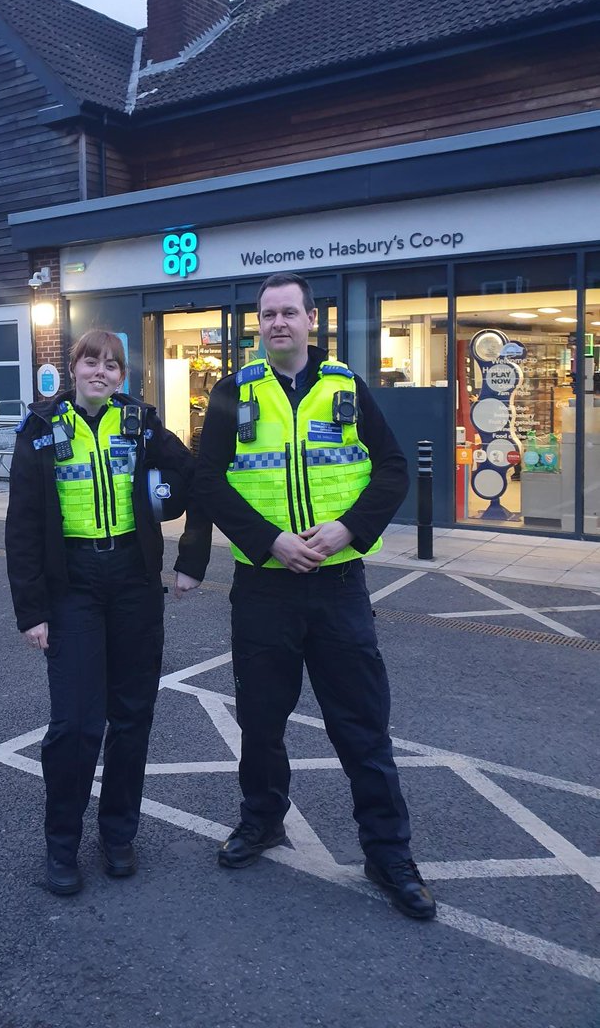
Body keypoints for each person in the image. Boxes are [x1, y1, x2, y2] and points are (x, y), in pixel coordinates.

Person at [194, 273, 436, 920]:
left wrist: (347, 528)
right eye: (268, 314)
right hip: (264, 587)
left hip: (338, 587)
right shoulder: (231, 392)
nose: (278, 323)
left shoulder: (346, 387)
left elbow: (392, 469)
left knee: (361, 728)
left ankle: (389, 854)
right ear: (259, 325)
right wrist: (270, 540)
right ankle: (262, 819)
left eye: (289, 313)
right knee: (262, 721)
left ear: (309, 321)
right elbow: (208, 480)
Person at [6, 329, 210, 896]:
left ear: (123, 375)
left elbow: (196, 480)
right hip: (71, 585)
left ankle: (119, 835)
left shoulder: (141, 424)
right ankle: (62, 844)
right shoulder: (42, 430)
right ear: (73, 369)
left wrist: (190, 557)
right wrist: (32, 612)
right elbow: (21, 526)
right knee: (74, 724)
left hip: (132, 582)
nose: (102, 371)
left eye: (112, 365)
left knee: (131, 715)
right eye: (91, 362)